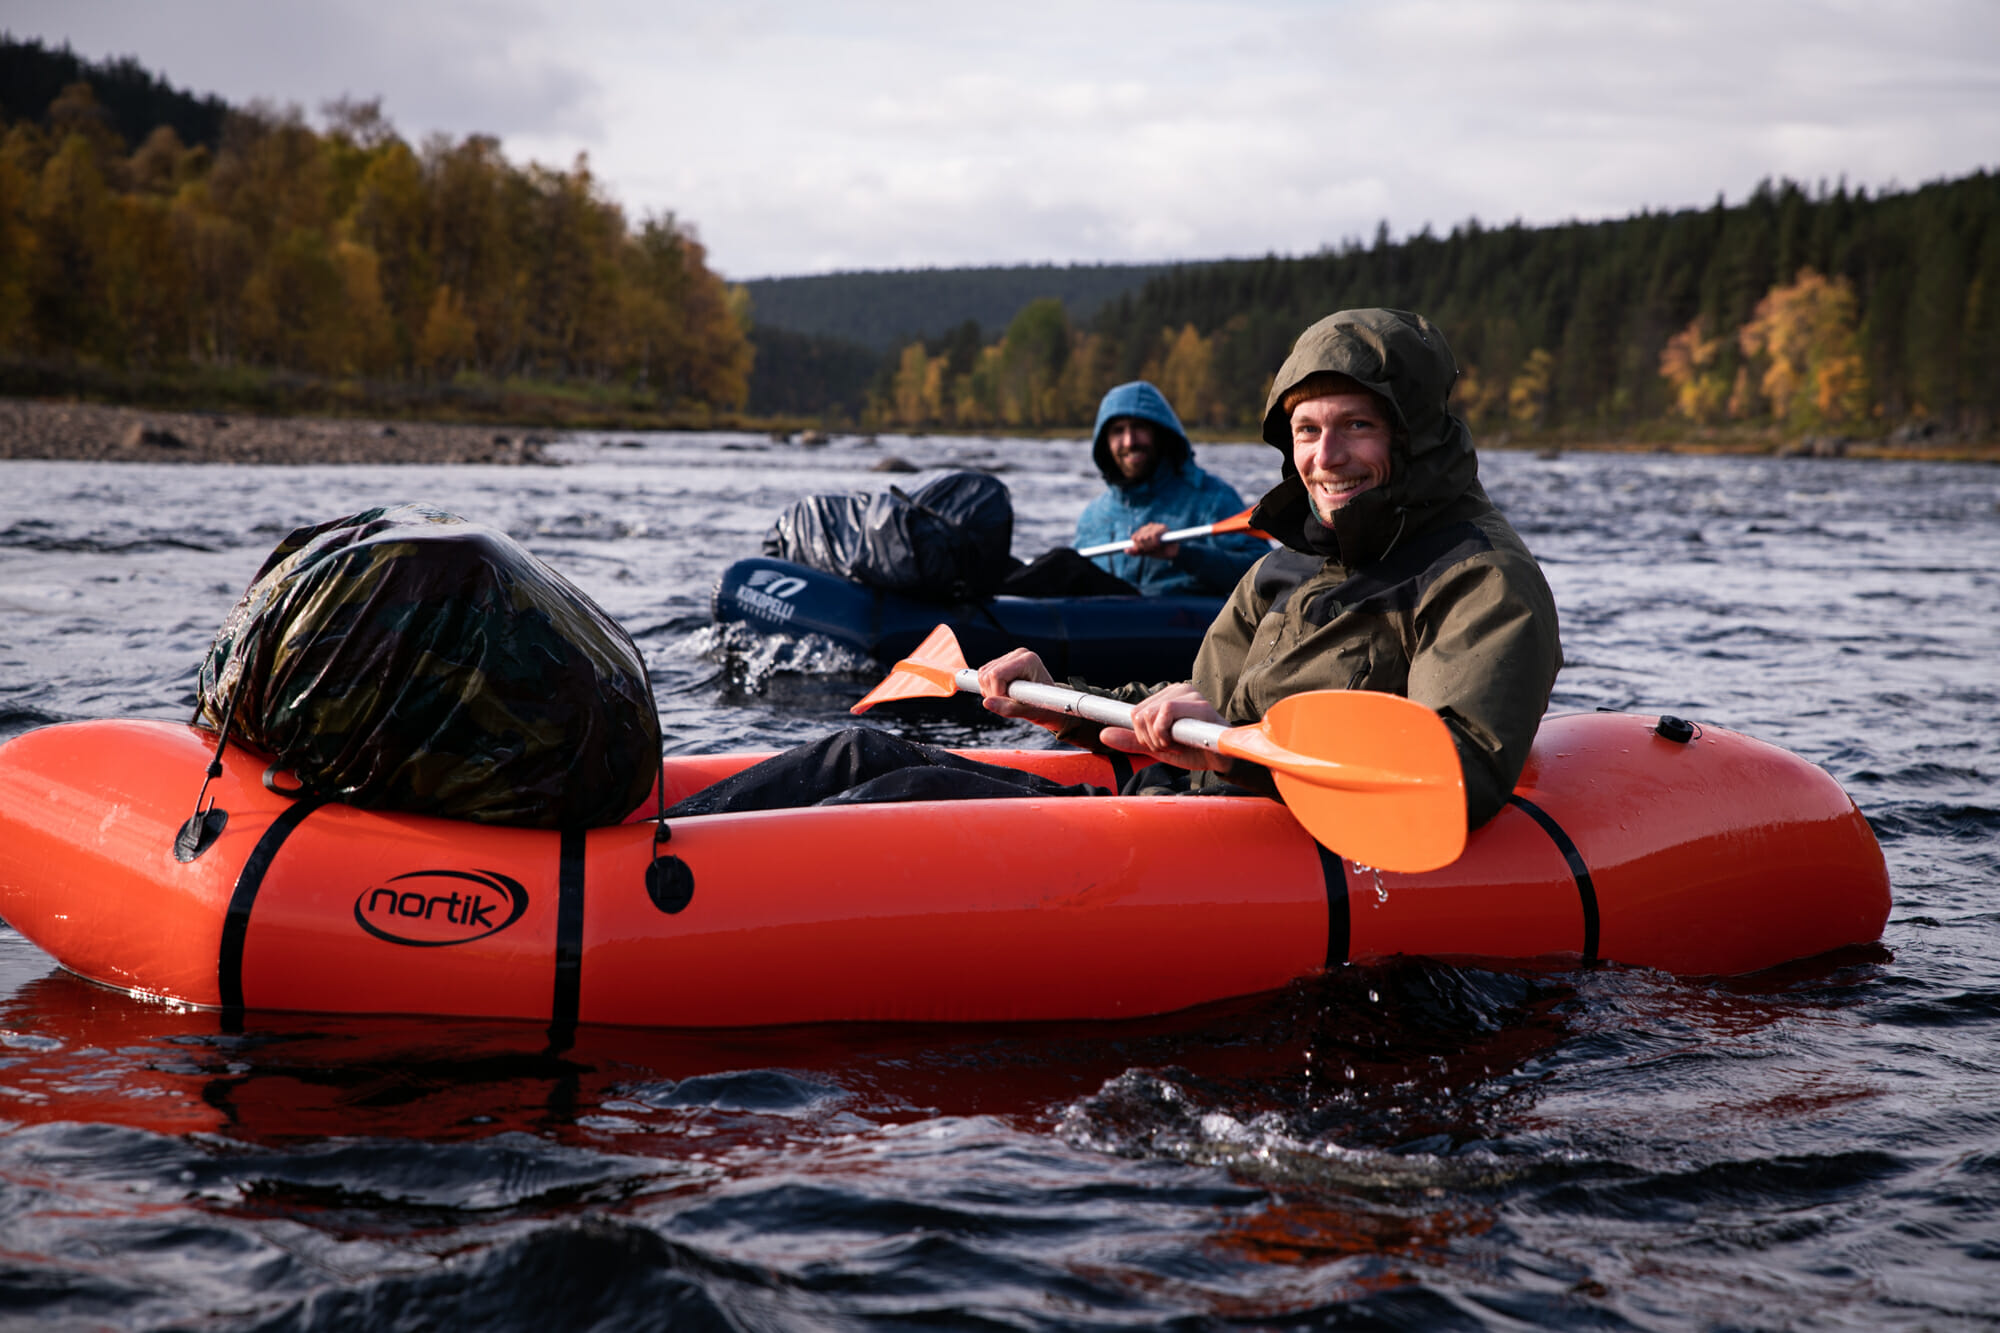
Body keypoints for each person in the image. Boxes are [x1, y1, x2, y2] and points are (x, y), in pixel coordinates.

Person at [671, 308, 1560, 833]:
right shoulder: (1287, 565)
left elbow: (1451, 774)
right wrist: (1066, 700)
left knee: (908, 788)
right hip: (1169, 801)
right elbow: (1190, 705)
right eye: (1308, 431)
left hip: (1233, 838)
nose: (1328, 456)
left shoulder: (1480, 580)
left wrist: (1241, 740)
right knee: (859, 748)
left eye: (1357, 426)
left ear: (1412, 433)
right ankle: (626, 846)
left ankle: (636, 893)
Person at [1070, 381, 1268, 596]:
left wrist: (1181, 554)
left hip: (1188, 625)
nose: (1129, 441)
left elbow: (1264, 575)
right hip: (1105, 626)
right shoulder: (1092, 517)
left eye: (1139, 427)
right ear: (1105, 443)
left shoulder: (1212, 499)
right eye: (1118, 431)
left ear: (1160, 434)